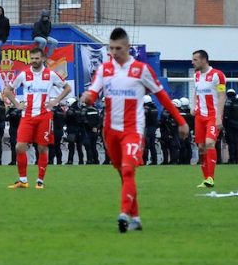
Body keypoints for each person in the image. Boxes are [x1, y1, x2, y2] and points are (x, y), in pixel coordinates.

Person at [81, 27, 188, 233]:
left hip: (133, 129)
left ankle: (123, 215)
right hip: (110, 130)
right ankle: (136, 218)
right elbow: (93, 94)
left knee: (129, 170)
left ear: (128, 47)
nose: (114, 52)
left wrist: (180, 120)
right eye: (111, 49)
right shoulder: (105, 69)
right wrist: (87, 98)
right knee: (124, 175)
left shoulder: (141, 69)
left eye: (118, 48)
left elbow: (162, 96)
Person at [4, 47, 71, 189]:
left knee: (42, 148)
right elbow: (7, 90)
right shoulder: (24, 74)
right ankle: (23, 180)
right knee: (19, 147)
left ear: (43, 59)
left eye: (37, 58)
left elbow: (67, 88)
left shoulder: (51, 74)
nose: (34, 61)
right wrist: (16, 104)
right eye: (32, 58)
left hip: (44, 115)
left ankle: (40, 181)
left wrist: (56, 101)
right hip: (27, 116)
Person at [190, 49, 226, 185]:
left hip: (212, 115)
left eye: (195, 60)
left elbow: (222, 96)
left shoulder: (218, 75)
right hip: (199, 116)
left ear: (204, 60)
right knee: (201, 147)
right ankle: (206, 179)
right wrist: (193, 106)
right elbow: (196, 92)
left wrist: (218, 117)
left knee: (210, 143)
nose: (192, 62)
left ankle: (211, 178)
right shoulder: (196, 76)